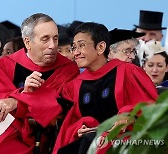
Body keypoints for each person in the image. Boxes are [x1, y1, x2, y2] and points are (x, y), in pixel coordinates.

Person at [53, 22, 158, 154]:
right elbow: (69, 125)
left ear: (101, 47)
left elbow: (151, 108)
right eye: (74, 47)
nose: (76, 52)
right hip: (90, 144)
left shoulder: (127, 72)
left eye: (82, 45)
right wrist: (78, 129)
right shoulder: (75, 85)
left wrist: (129, 115)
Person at [0, 13, 79, 154]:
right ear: (27, 42)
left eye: (55, 38)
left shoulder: (68, 69)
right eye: (45, 39)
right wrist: (24, 95)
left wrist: (17, 102)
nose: (52, 46)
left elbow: (62, 105)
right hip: (3, 135)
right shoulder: (2, 66)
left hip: (43, 140)